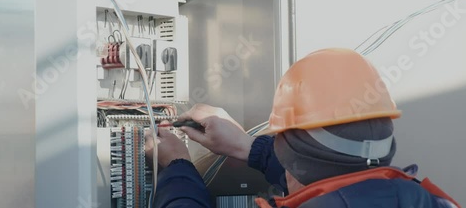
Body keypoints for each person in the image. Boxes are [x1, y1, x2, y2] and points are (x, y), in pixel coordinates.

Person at [145, 48, 460, 208]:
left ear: (291, 162)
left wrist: (176, 167)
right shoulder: (420, 199)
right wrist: (245, 146)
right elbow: (330, 176)